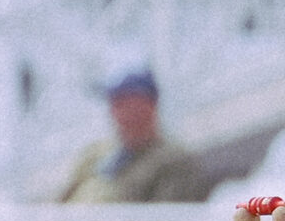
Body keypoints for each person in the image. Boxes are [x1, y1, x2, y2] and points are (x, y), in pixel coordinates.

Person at [56, 69, 211, 204]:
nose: (117, 113)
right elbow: (61, 198)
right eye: (114, 104)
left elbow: (165, 220)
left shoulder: (173, 158)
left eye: (123, 103)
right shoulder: (96, 152)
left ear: (148, 106)